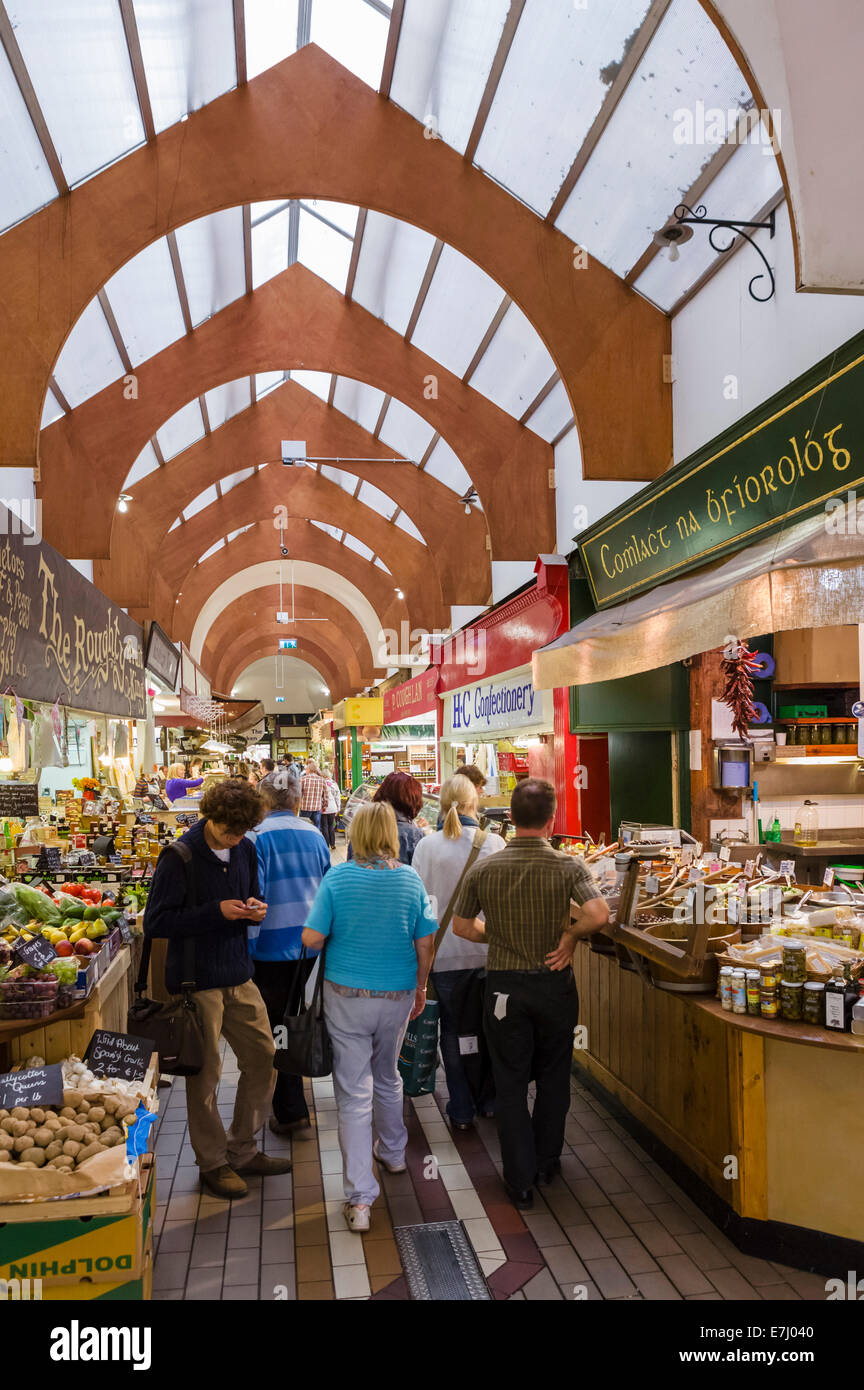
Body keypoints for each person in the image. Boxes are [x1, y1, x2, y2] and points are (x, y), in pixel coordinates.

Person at [452, 778, 610, 1210]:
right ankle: (547, 1161)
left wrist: (497, 935)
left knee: (510, 1081)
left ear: (510, 818)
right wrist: (571, 937)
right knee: (555, 1077)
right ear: (551, 818)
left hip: (504, 989)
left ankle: (520, 1180)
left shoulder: (484, 868)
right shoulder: (569, 865)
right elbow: (599, 913)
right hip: (553, 985)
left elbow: (463, 927)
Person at [144, 780, 293, 1199]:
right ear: (211, 815)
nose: (234, 838)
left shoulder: (245, 848)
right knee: (205, 1073)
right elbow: (156, 922)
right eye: (229, 830)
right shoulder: (180, 856)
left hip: (238, 974)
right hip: (196, 982)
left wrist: (253, 909)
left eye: (242, 831)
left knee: (264, 1056)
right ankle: (212, 1163)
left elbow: (249, 895)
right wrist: (216, 912)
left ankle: (243, 1147)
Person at [301, 802, 437, 1233]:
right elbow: (425, 942)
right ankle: (394, 1154)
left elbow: (312, 937)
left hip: (346, 996)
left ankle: (360, 1199)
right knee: (389, 1075)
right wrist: (421, 986)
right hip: (397, 993)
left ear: (355, 833)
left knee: (353, 1092)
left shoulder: (338, 877)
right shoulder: (411, 878)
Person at [412, 774, 505, 1131]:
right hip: (489, 955)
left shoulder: (427, 846)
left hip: (443, 958)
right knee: (491, 1030)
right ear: (474, 804)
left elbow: (420, 907)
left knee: (452, 1032)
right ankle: (491, 1101)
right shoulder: (494, 843)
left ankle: (462, 1108)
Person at [248, 780, 331, 1137]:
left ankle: (291, 1108)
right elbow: (328, 888)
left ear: (264, 800)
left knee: (278, 1027)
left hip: (269, 949)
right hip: (309, 947)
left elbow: (256, 899)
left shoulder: (257, 838)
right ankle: (292, 1100)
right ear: (298, 801)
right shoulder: (315, 835)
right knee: (298, 1020)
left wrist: (247, 952)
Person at [347, 771, 425, 865]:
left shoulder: (362, 829)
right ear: (413, 798)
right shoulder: (413, 835)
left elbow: (351, 862)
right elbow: (421, 873)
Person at [437, 763, 485, 828]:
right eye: (479, 787)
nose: (482, 791)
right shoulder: (467, 820)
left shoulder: (444, 814)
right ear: (469, 788)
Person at [299, 759, 328, 829]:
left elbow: (298, 794)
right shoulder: (322, 780)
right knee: (316, 827)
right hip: (317, 808)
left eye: (306, 769)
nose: (305, 771)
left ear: (309, 770)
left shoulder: (302, 779)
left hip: (305, 808)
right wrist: (324, 806)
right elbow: (326, 796)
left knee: (304, 827)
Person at [321, 771, 340, 850]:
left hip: (323, 808)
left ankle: (326, 844)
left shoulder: (321, 783)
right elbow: (337, 797)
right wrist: (338, 807)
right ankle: (333, 844)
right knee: (331, 826)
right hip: (332, 807)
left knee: (324, 826)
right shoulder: (334, 784)